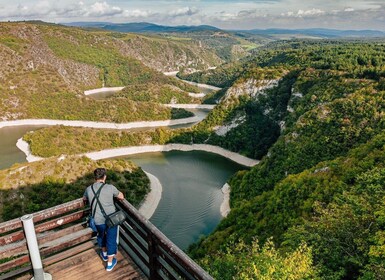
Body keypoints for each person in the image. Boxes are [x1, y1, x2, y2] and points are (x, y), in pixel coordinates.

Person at [83, 168, 125, 272]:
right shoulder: (110, 188)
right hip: (111, 220)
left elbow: (84, 199)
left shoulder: (89, 189)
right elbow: (121, 197)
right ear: (104, 177)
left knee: (101, 236)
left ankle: (105, 255)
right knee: (111, 240)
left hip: (97, 220)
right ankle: (110, 264)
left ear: (95, 177)